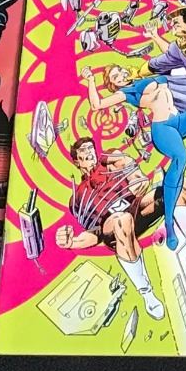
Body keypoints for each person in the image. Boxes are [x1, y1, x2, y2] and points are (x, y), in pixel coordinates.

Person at [67, 135, 164, 321]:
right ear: (77, 161)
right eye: (83, 151)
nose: (89, 152)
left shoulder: (108, 162)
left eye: (90, 148)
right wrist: (73, 242)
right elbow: (95, 233)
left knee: (174, 187)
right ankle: (147, 293)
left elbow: (130, 169)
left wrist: (135, 175)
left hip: (134, 208)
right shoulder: (77, 197)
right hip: (111, 226)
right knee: (122, 219)